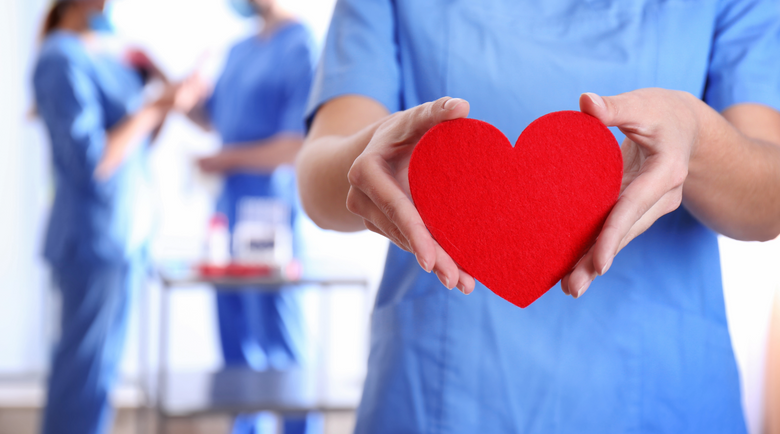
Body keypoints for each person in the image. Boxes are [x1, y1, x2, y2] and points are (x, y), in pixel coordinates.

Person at [296, 0, 780, 432]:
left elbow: (770, 199)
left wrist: (695, 133)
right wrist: (371, 155)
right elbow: (318, 182)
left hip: (663, 391)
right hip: (440, 392)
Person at [32, 1, 197, 433]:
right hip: (92, 240)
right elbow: (91, 161)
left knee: (99, 377)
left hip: (124, 238)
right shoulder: (60, 57)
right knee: (82, 379)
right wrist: (152, 109)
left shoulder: (107, 54)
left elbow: (135, 147)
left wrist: (163, 93)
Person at [183, 1, 319, 433]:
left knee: (280, 344)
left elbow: (295, 145)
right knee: (235, 342)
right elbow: (213, 119)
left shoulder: (301, 46)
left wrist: (226, 160)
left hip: (270, 213)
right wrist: (185, 96)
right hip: (227, 213)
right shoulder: (238, 48)